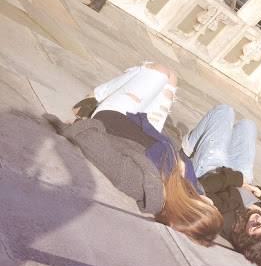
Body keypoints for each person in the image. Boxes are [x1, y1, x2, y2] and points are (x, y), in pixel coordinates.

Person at [43, 62, 223, 247]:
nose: (213, 203)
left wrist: (80, 129)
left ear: (193, 207)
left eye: (212, 207)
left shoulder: (144, 186)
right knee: (172, 77)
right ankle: (101, 98)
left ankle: (96, 97)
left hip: (115, 119)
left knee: (159, 70)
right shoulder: (190, 188)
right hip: (147, 129)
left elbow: (105, 156)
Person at [181, 105, 261, 266]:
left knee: (224, 111)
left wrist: (234, 179)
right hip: (240, 176)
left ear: (247, 239)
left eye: (256, 226)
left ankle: (186, 148)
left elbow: (203, 187)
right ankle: (202, 142)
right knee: (248, 126)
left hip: (213, 169)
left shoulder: (227, 221)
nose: (260, 219)